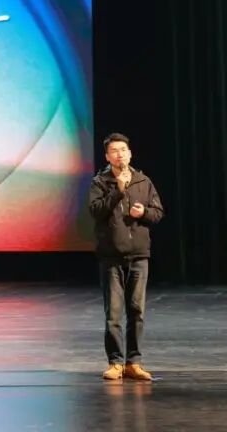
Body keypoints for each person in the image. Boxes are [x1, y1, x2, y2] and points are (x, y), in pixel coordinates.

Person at [87, 132, 164, 381]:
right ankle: (115, 363)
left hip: (139, 254)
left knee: (137, 311)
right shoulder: (100, 182)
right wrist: (118, 191)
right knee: (114, 314)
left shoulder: (143, 181)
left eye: (123, 150)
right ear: (107, 156)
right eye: (114, 151)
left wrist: (144, 213)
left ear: (130, 153)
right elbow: (96, 211)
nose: (119, 154)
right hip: (111, 255)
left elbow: (158, 212)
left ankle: (134, 362)